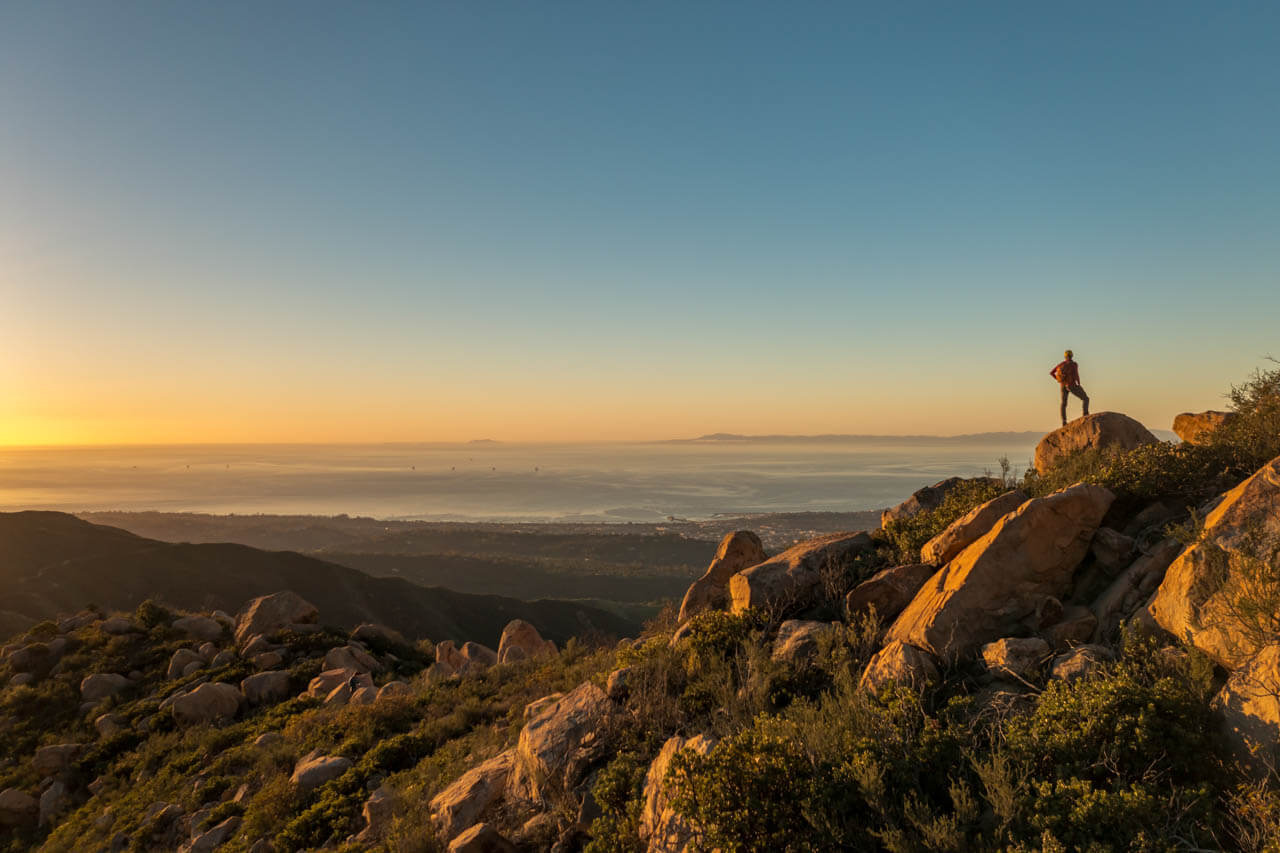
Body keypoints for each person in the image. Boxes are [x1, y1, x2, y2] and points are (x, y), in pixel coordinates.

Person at [1050, 349, 1089, 426]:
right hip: (1071, 385)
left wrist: (1059, 380)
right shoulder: (1074, 364)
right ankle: (1085, 414)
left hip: (1063, 386)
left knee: (1064, 404)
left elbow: (1052, 373)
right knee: (1086, 399)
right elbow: (1076, 374)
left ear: (1065, 356)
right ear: (1072, 356)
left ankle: (1064, 421)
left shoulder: (1061, 364)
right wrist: (1079, 383)